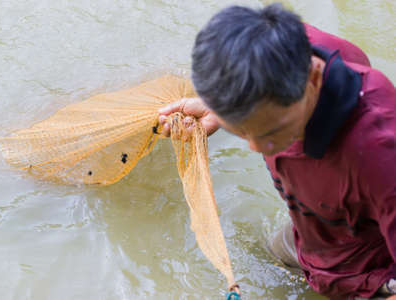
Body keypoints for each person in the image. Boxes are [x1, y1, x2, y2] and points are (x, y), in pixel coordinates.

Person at [158, 4, 395, 300]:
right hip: (311, 236)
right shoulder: (283, 51)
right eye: (243, 132)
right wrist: (224, 112)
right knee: (267, 255)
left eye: (271, 132)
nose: (255, 147)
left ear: (315, 79)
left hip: (368, 277)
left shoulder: (381, 155)